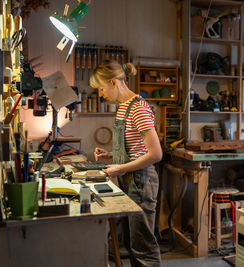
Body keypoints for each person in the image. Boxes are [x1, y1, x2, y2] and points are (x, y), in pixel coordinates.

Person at [90, 59, 162, 266]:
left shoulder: (138, 108)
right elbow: (136, 148)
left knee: (143, 246)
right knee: (131, 242)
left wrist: (120, 168)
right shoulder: (123, 107)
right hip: (129, 178)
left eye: (101, 88)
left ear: (114, 82)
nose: (100, 94)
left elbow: (155, 154)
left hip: (142, 181)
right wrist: (111, 155)